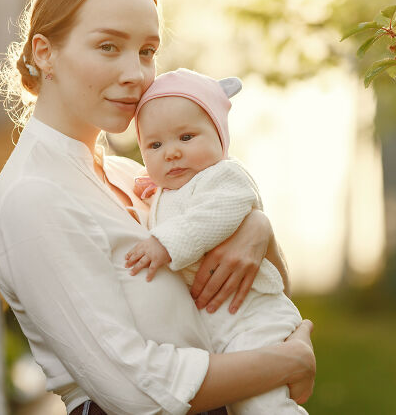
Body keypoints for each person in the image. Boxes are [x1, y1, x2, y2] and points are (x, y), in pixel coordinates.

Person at [0, 0, 315, 415]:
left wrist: (258, 227)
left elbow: (247, 294)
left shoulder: (133, 177)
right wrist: (286, 361)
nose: (136, 74)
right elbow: (134, 391)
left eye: (146, 51)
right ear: (45, 53)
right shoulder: (34, 197)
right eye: (108, 46)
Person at [124, 68, 306, 414]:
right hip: (220, 325)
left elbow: (211, 217)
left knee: (264, 405)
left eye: (187, 137)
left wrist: (163, 244)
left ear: (220, 137)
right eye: (155, 144)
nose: (171, 153)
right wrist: (155, 191)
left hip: (254, 315)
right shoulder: (171, 188)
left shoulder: (227, 177)